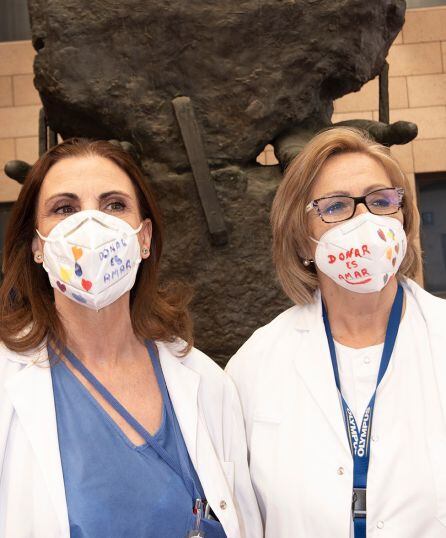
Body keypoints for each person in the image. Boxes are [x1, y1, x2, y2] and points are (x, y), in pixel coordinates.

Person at [0, 138, 262, 538]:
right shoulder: (8, 381)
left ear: (144, 237)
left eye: (114, 205)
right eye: (64, 208)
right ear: (38, 245)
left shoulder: (206, 383)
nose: (90, 226)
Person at [226, 127, 446, 537]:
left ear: (403, 217)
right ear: (303, 240)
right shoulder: (255, 366)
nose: (365, 220)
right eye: (336, 207)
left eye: (381, 201)